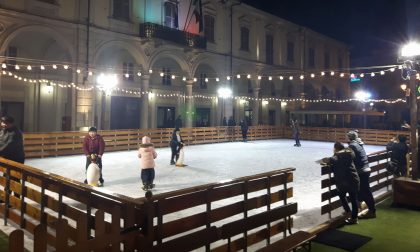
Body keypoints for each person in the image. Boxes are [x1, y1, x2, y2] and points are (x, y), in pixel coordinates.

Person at [323, 142, 360, 224]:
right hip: (353, 179)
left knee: (342, 196)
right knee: (353, 199)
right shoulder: (349, 153)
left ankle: (348, 212)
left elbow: (334, 160)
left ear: (336, 149)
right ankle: (354, 217)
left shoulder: (338, 156)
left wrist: (328, 160)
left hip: (344, 182)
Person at [347, 130, 376, 219]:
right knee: (364, 191)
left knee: (364, 191)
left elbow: (348, 157)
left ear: (349, 137)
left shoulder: (352, 145)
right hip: (366, 168)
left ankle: (372, 211)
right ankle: (367, 208)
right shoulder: (359, 144)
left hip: (361, 171)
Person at [0, 115, 25, 199]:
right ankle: (7, 197)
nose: (3, 124)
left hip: (16, 159)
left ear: (11, 123)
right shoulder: (4, 131)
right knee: (7, 177)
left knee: (14, 178)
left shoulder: (15, 133)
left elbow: (8, 146)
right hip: (7, 158)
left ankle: (16, 198)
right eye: (2, 122)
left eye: (5, 123)